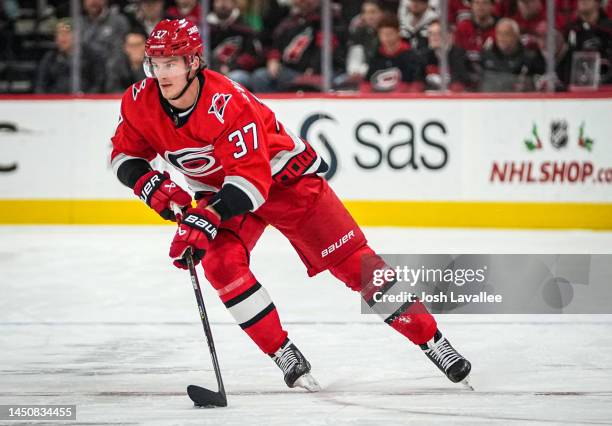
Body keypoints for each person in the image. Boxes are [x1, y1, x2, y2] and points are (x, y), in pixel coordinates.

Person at [110, 18, 472, 391]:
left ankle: (433, 341)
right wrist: (151, 186)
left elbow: (251, 183)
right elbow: (123, 153)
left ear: (194, 63)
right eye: (156, 64)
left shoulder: (229, 104)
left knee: (355, 265)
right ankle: (283, 353)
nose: (162, 74)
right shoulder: (139, 100)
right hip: (220, 192)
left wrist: (207, 216)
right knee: (219, 263)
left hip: (285, 183)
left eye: (172, 63)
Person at [36, 19, 105, 93]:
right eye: (58, 34)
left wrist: (87, 98)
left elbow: (98, 83)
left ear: (77, 36)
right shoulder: (50, 58)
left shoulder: (91, 56)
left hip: (86, 102)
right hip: (57, 102)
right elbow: (41, 86)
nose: (61, 38)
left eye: (66, 33)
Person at [207, 0, 264, 89]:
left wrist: (231, 67)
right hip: (211, 70)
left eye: (227, 1)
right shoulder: (205, 27)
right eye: (218, 1)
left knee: (234, 78)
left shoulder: (244, 26)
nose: (223, 4)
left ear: (234, 3)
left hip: (237, 71)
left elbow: (252, 55)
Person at [480, 18, 545, 91]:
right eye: (499, 33)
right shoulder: (487, 55)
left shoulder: (529, 58)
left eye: (507, 34)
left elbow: (540, 83)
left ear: (516, 35)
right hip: (490, 99)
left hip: (519, 100)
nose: (502, 38)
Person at [365, 14, 425, 92]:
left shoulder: (411, 58)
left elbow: (417, 85)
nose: (386, 38)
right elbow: (365, 84)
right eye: (383, 34)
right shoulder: (376, 57)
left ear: (398, 33)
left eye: (389, 34)